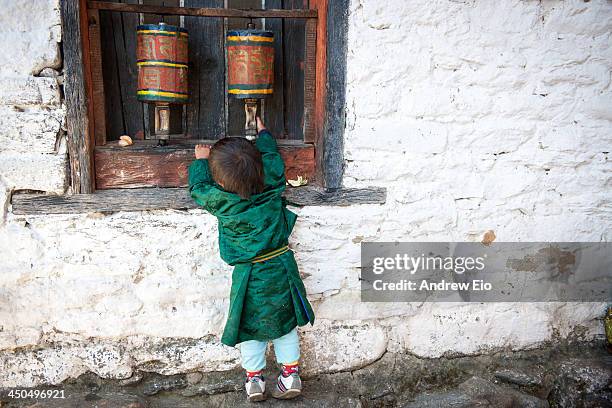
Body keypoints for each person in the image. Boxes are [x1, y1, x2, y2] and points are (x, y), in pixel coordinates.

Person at [188, 118, 315, 402]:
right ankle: (290, 376)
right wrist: (264, 134)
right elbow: (271, 158)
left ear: (220, 182)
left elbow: (198, 189)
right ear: (259, 167)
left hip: (248, 276)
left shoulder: (223, 202)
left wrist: (200, 161)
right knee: (285, 324)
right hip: (281, 268)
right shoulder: (272, 183)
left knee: (250, 328)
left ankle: (254, 380)